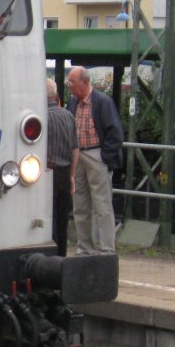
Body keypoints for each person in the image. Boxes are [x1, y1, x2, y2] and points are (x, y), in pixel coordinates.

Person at [65, 66, 124, 254]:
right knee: (80, 205)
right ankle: (85, 248)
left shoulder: (103, 102)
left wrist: (104, 156)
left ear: (84, 82)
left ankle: (107, 249)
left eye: (71, 81)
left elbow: (116, 133)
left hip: (96, 155)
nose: (68, 85)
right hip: (78, 155)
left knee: (102, 205)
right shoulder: (72, 102)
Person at [45, 78, 78, 257]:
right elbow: (75, 149)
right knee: (62, 218)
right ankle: (62, 256)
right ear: (56, 95)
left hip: (47, 173)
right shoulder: (69, 116)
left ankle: (50, 256)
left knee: (49, 218)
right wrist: (72, 175)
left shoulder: (42, 118)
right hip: (65, 172)